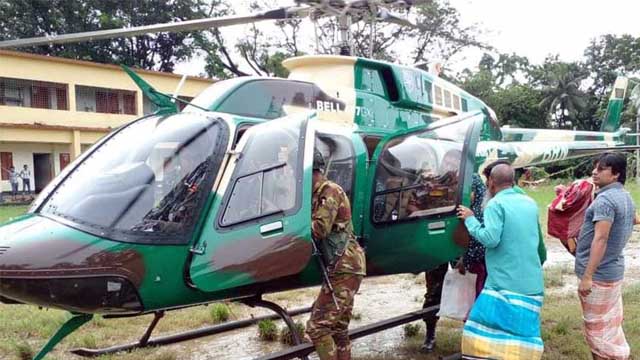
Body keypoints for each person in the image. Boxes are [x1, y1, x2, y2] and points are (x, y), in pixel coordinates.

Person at [457, 164, 545, 360]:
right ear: (512, 181)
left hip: (504, 284)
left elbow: (491, 239)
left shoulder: (495, 205)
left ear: (491, 183)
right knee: (522, 335)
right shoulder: (529, 202)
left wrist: (470, 220)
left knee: (477, 332)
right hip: (532, 284)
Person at [306, 149, 366, 360]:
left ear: (310, 171)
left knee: (317, 328)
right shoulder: (318, 194)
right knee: (339, 330)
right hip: (346, 265)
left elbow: (320, 228)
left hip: (344, 266)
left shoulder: (329, 191)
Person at [575, 153, 635, 360]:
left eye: (601, 169)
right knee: (609, 327)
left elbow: (600, 239)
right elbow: (633, 219)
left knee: (597, 333)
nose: (594, 172)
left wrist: (587, 276)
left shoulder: (606, 200)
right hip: (613, 271)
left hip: (599, 276)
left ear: (616, 174)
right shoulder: (624, 196)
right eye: (595, 168)